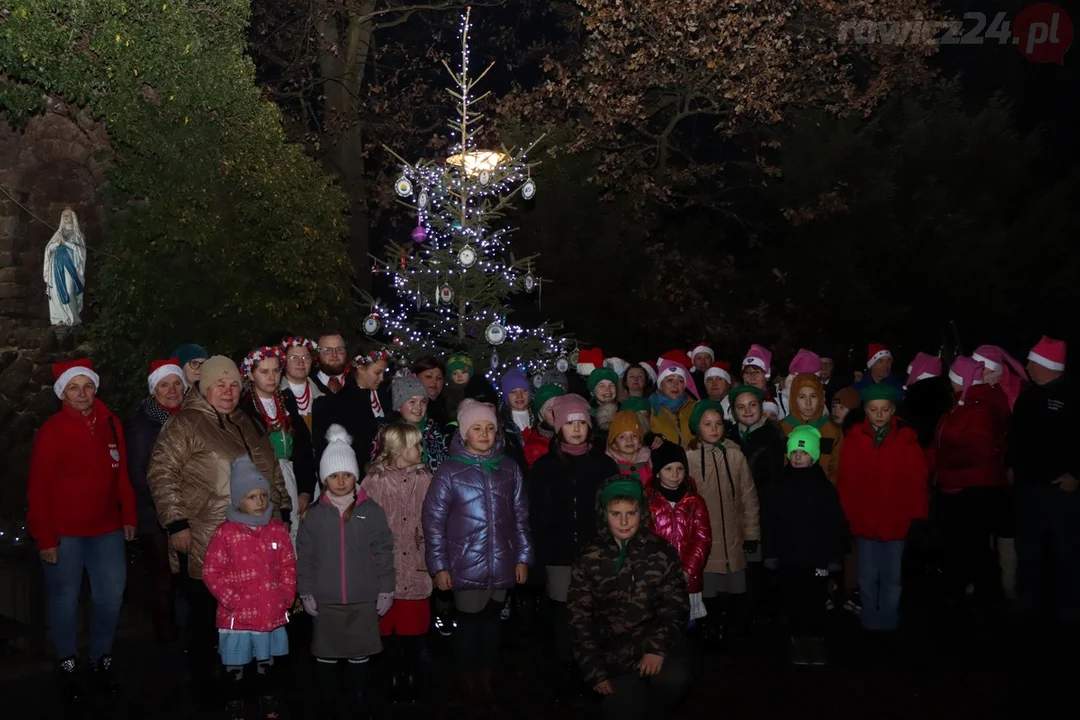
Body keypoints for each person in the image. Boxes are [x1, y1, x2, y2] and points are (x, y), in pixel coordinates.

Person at [148, 355, 290, 708]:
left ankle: (250, 684)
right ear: (204, 387)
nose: (227, 391)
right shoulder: (186, 424)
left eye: (232, 385)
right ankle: (204, 690)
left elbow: (270, 469)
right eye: (219, 384)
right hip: (208, 539)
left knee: (250, 615)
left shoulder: (248, 421)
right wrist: (176, 522)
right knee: (207, 621)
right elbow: (161, 473)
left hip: (257, 542)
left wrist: (282, 508)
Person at [27, 359, 136, 700]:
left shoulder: (111, 423)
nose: (82, 393)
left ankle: (100, 659)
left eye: (86, 386)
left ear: (95, 387)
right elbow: (37, 489)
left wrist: (129, 517)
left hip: (107, 530)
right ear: (63, 393)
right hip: (65, 533)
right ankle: (67, 664)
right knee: (65, 600)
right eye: (74, 387)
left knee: (110, 598)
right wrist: (44, 537)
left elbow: (122, 477)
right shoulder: (52, 432)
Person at [423, 399, 532, 713]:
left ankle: (486, 680)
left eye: (490, 428)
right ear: (464, 434)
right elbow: (433, 521)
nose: (484, 434)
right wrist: (439, 566)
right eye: (477, 429)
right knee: (469, 626)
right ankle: (466, 682)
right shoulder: (450, 471)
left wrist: (523, 558)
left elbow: (521, 516)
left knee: (492, 625)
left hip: (502, 562)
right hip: (465, 564)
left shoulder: (509, 467)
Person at [567, 476, 691, 720]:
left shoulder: (661, 551)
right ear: (604, 515)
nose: (624, 522)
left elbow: (675, 606)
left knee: (675, 679)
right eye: (616, 514)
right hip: (612, 654)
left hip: (651, 644)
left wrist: (657, 648)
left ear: (641, 513)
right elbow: (578, 618)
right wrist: (595, 671)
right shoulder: (589, 556)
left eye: (630, 513)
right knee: (624, 709)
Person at [298, 424, 395, 717]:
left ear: (356, 477)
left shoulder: (371, 510)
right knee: (326, 657)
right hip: (326, 600)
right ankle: (328, 703)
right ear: (325, 479)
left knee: (359, 655)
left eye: (347, 475)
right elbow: (305, 556)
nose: (341, 481)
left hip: (363, 598)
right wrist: (306, 591)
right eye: (334, 476)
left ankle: (358, 699)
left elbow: (383, 552)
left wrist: (386, 587)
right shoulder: (314, 516)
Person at [528, 394, 618, 702]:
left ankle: (594, 672)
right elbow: (536, 515)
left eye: (581, 422)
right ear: (558, 428)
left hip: (596, 553)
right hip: (559, 554)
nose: (576, 429)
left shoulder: (604, 464)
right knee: (564, 616)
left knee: (593, 613)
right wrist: (538, 557)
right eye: (569, 423)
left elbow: (614, 508)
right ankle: (564, 670)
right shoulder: (544, 467)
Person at [202, 456, 296, 718]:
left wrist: (286, 595)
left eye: (263, 495)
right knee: (236, 666)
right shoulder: (226, 533)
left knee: (267, 664)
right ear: (238, 500)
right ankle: (235, 703)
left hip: (269, 613)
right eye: (252, 496)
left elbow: (288, 564)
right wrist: (232, 599)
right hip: (237, 617)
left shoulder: (276, 530)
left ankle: (269, 699)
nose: (260, 502)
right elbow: (211, 571)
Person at [837, 383, 928, 632]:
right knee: (867, 575)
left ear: (893, 410)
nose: (879, 414)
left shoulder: (907, 440)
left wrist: (918, 517)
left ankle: (888, 619)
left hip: (896, 521)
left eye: (884, 409)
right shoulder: (855, 439)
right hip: (864, 521)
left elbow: (918, 483)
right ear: (865, 409)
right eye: (874, 409)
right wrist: (845, 519)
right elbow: (846, 483)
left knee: (892, 576)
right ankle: (870, 617)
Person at [1006, 335, 1079, 628]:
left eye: (1032, 362)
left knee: (1066, 549)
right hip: (1027, 487)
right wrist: (1011, 465)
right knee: (1028, 546)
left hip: (1059, 489)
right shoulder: (1028, 396)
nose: (1027, 367)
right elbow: (1017, 437)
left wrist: (1076, 475)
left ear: (1047, 364)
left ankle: (1070, 607)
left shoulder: (1073, 395)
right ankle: (1030, 601)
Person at [361, 422, 433, 703]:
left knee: (413, 629)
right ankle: (391, 675)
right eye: (416, 445)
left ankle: (412, 675)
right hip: (386, 569)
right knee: (388, 629)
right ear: (400, 449)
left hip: (416, 564)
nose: (420, 450)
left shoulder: (425, 478)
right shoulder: (374, 482)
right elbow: (363, 525)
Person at [932, 356, 1010, 611]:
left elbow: (977, 447)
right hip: (956, 487)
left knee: (976, 549)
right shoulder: (961, 404)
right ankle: (962, 596)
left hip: (973, 490)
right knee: (961, 546)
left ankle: (988, 602)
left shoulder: (980, 407)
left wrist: (944, 460)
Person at [767, 426, 848, 665]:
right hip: (789, 557)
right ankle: (796, 639)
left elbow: (836, 525)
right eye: (793, 452)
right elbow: (770, 522)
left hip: (817, 558)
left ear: (813, 455)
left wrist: (835, 557)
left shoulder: (825, 489)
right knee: (792, 599)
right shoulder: (779, 487)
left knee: (815, 599)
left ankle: (815, 638)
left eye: (803, 452)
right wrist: (771, 553)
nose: (797, 457)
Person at [685, 398, 759, 643]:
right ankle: (710, 626)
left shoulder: (736, 455)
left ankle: (732, 630)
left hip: (733, 534)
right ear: (697, 427)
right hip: (706, 537)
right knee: (709, 587)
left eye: (718, 423)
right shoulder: (690, 458)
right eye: (707, 424)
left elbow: (749, 497)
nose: (714, 428)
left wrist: (751, 534)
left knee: (735, 586)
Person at [126, 358, 187, 645]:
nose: (172, 390)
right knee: (163, 579)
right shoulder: (143, 425)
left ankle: (189, 633)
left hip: (189, 510)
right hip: (156, 515)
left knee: (187, 577)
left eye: (177, 383)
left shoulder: (191, 416)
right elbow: (140, 472)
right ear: (154, 390)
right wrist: (168, 507)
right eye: (165, 385)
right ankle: (166, 638)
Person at [241, 345, 317, 538]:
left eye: (276, 371)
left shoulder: (286, 403)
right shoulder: (245, 411)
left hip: (291, 480)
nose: (271, 377)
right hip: (263, 484)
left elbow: (304, 449)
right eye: (264, 372)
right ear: (251, 374)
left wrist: (305, 490)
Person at [647, 442, 712, 626]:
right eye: (668, 469)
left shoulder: (695, 502)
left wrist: (687, 570)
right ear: (657, 472)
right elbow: (645, 538)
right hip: (657, 577)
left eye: (680, 468)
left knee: (685, 626)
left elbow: (702, 539)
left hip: (688, 578)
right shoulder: (648, 501)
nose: (675, 475)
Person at [312, 348, 392, 467]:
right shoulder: (341, 402)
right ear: (361, 369)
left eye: (383, 373)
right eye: (377, 373)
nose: (381, 378)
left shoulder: (384, 394)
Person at [779, 373, 845, 484]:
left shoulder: (832, 430)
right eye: (802, 397)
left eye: (813, 396)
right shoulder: (781, 428)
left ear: (821, 397)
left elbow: (836, 471)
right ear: (794, 399)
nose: (808, 403)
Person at [390, 372, 449, 473]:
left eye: (423, 401)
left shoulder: (434, 430)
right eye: (412, 402)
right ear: (399, 406)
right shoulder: (390, 435)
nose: (418, 407)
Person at [649, 353, 698, 446]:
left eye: (680, 381)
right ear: (661, 384)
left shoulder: (695, 408)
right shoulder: (649, 408)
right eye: (670, 380)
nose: (675, 385)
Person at [279, 336, 323, 432]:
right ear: (284, 361)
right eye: (294, 358)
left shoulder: (323, 393)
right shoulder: (275, 395)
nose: (301, 362)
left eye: (306, 357)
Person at [499, 368, 535, 472]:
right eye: (513, 392)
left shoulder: (537, 416)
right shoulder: (502, 421)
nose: (519, 395)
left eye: (524, 390)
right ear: (506, 396)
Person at [522, 383, 566, 468]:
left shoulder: (571, 434)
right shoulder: (534, 447)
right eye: (550, 410)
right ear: (541, 415)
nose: (556, 413)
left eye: (558, 407)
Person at [606, 410, 653, 485]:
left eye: (634, 436)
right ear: (614, 444)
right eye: (622, 437)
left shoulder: (649, 462)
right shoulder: (610, 466)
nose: (629, 440)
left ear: (640, 442)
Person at [411, 355, 449, 429]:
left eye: (439, 378)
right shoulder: (410, 409)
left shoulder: (447, 405)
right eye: (428, 376)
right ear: (415, 377)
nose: (434, 381)